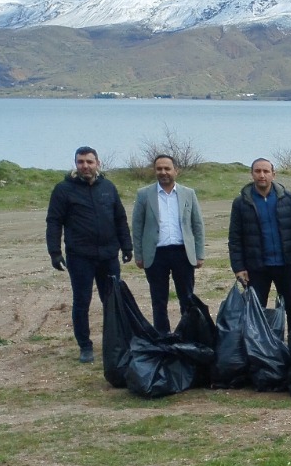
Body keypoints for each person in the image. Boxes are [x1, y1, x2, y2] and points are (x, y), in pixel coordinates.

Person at [46, 146, 131, 362]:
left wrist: (127, 246)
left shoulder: (108, 187)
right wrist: (54, 252)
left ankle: (116, 342)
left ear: (98, 164)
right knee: (82, 301)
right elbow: (54, 222)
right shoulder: (63, 190)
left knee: (112, 301)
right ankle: (85, 346)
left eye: (89, 162)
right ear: (76, 164)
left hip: (109, 256)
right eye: (81, 162)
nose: (85, 166)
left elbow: (120, 218)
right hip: (80, 256)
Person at [228, 158, 291, 326]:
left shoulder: (287, 198)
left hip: (286, 264)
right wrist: (239, 267)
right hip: (256, 266)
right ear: (252, 174)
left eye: (266, 171)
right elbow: (235, 238)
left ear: (273, 174)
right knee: (255, 310)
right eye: (257, 171)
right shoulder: (241, 203)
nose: (262, 175)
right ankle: (258, 349)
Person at [130, 153, 204, 334]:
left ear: (175, 171)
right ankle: (163, 337)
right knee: (158, 300)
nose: (163, 172)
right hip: (155, 254)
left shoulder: (188, 193)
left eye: (167, 168)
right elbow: (137, 226)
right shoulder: (144, 194)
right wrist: (138, 255)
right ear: (154, 171)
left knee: (186, 298)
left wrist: (199, 253)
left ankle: (187, 335)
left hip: (182, 252)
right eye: (159, 169)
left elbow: (197, 224)